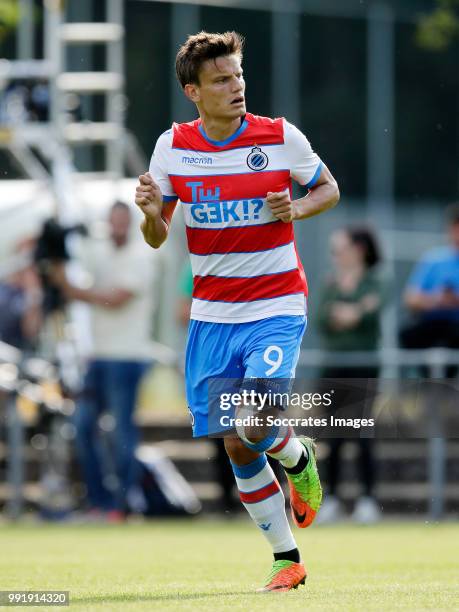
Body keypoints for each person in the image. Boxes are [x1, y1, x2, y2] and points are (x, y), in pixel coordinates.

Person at [135, 31, 339, 591]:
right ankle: (286, 559)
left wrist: (293, 207)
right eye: (222, 79)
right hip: (212, 314)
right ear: (193, 91)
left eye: (239, 76)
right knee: (234, 441)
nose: (237, 87)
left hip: (276, 304)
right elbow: (157, 237)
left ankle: (298, 460)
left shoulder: (279, 136)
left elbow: (328, 189)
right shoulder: (172, 147)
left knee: (254, 424)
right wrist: (153, 213)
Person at [52, 201, 158, 520]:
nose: (118, 227)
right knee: (83, 427)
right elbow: (73, 265)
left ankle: (122, 504)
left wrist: (70, 288)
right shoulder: (100, 251)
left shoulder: (142, 255)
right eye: (114, 222)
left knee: (121, 432)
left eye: (123, 222)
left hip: (127, 356)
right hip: (98, 356)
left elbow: (114, 299)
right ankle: (99, 501)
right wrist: (53, 250)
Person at [316, 227, 385, 524]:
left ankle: (367, 499)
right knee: (332, 434)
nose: (336, 256)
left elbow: (368, 313)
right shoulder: (329, 283)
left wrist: (348, 313)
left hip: (364, 368)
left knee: (361, 432)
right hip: (333, 367)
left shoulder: (375, 280)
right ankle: (329, 497)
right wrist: (351, 312)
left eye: (340, 249)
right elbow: (321, 318)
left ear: (358, 250)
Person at [401, 203, 459, 377]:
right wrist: (436, 300)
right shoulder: (434, 260)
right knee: (407, 335)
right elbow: (410, 298)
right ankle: (426, 385)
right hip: (431, 324)